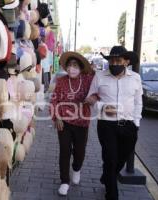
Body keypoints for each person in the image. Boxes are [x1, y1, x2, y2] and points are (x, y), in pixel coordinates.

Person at [85, 46, 143, 200]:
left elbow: (138, 102)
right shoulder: (100, 76)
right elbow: (90, 98)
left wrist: (136, 123)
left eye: (118, 60)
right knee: (110, 159)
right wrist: (102, 107)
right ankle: (112, 194)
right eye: (112, 60)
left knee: (121, 159)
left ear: (126, 61)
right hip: (106, 125)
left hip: (129, 125)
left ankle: (107, 175)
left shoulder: (135, 78)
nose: (115, 63)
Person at [50, 52, 95, 196]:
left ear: (81, 68)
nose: (71, 69)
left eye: (75, 66)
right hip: (64, 121)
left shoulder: (88, 80)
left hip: (82, 121)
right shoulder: (61, 80)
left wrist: (92, 98)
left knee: (79, 151)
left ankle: (76, 168)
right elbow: (54, 100)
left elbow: (98, 90)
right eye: (69, 66)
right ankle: (64, 181)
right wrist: (56, 117)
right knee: (64, 150)